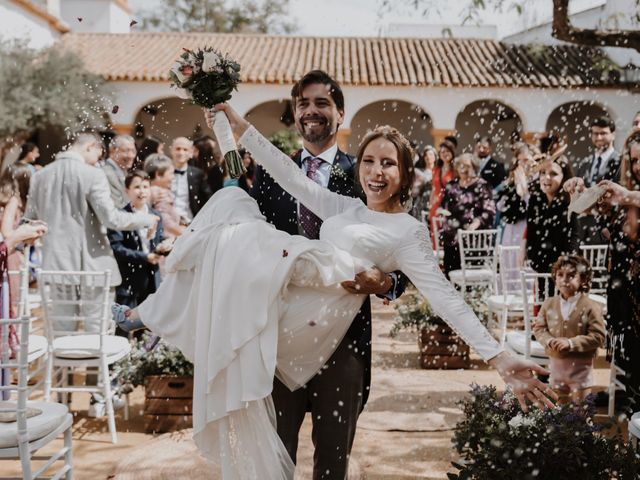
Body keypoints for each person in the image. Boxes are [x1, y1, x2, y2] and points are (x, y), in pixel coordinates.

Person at [114, 104, 556, 479]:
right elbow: (288, 173)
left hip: (335, 348)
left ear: (404, 172)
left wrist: (497, 356)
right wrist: (238, 125)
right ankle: (154, 307)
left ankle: (149, 308)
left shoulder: (407, 232)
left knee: (332, 465)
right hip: (280, 340)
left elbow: (444, 296)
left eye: (387, 163)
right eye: (368, 161)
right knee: (233, 214)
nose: (376, 172)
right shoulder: (345, 206)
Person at [249, 70, 406, 479]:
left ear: (340, 113)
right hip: (281, 335)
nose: (311, 111)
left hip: (344, 340)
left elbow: (402, 255)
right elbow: (252, 242)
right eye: (303, 104)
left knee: (333, 463)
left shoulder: (365, 173)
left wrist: (385, 283)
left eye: (322, 103)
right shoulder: (270, 172)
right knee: (275, 456)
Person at [24, 131, 159, 416]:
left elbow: (31, 220)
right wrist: (147, 218)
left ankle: (60, 404)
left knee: (59, 340)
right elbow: (112, 219)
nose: (99, 159)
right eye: (99, 153)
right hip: (95, 271)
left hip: (55, 269)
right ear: (91, 147)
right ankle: (100, 401)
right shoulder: (92, 175)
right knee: (100, 337)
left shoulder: (40, 176)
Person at [564, 131, 640, 413]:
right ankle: (627, 399)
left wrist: (628, 195)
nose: (638, 167)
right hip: (626, 286)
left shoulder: (631, 195)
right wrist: (581, 195)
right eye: (634, 161)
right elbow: (597, 217)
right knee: (628, 346)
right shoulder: (627, 197)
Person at [533, 255, 605, 402]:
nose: (564, 279)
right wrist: (549, 341)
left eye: (571, 276)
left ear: (583, 280)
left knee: (581, 413)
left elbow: (599, 336)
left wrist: (571, 343)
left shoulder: (591, 306)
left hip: (581, 369)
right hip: (556, 368)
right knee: (560, 412)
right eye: (560, 275)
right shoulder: (548, 304)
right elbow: (539, 329)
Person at [107, 170, 169, 309]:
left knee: (149, 323)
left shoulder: (156, 214)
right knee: (124, 322)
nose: (142, 191)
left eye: (145, 187)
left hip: (152, 277)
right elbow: (117, 249)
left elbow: (159, 240)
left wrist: (164, 247)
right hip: (129, 278)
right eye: (137, 187)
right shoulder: (120, 216)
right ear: (127, 190)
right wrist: (145, 257)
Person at [524, 154, 579, 297]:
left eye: (553, 174)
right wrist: (533, 258)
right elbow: (531, 232)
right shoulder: (535, 200)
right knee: (543, 309)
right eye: (543, 173)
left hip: (564, 270)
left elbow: (573, 237)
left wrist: (563, 266)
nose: (546, 178)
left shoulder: (570, 201)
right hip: (540, 265)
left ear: (564, 177)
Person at [440, 153, 496, 276]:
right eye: (460, 165)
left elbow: (489, 211)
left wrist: (475, 224)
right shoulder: (451, 186)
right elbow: (443, 207)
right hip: (452, 239)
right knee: (451, 275)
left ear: (474, 167)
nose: (463, 169)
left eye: (466, 166)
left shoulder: (482, 185)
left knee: (473, 281)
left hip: (474, 241)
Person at [574, 117, 621, 245]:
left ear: (613, 135)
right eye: (595, 133)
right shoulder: (584, 164)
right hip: (582, 229)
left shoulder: (621, 162)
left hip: (608, 228)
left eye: (603, 133)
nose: (599, 137)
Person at [497, 144, 540, 246]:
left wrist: (524, 190)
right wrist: (511, 186)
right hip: (511, 226)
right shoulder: (512, 179)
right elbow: (500, 206)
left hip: (527, 226)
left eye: (526, 160)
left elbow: (534, 208)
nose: (522, 164)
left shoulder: (539, 181)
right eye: (519, 160)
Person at [169, 137, 212, 223]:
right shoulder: (162, 172)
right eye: (178, 149)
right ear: (171, 150)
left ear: (191, 153)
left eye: (185, 150)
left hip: (190, 222)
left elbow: (208, 198)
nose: (181, 153)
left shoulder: (198, 174)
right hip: (167, 222)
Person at [144, 153, 185, 238]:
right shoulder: (159, 192)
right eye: (171, 173)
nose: (173, 177)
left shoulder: (149, 190)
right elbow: (166, 222)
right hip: (165, 240)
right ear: (158, 174)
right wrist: (188, 233)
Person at [428, 138, 456, 244]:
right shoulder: (436, 170)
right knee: (435, 236)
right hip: (436, 206)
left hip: (450, 206)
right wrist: (430, 206)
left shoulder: (456, 170)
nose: (445, 154)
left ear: (452, 152)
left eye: (447, 151)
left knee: (448, 236)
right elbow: (433, 189)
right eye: (442, 152)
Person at [101, 134, 137, 208]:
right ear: (113, 150)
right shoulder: (107, 173)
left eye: (133, 151)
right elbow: (119, 205)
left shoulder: (123, 171)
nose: (131, 156)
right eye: (126, 151)